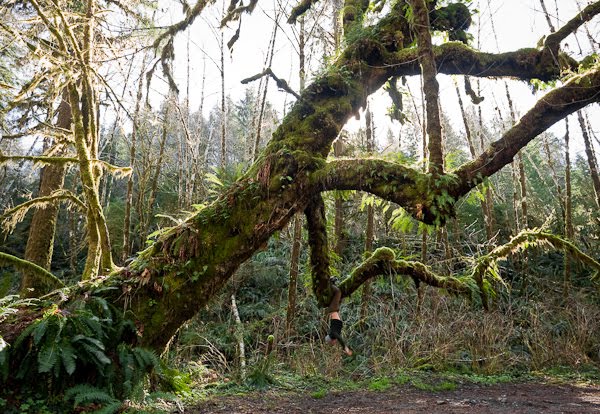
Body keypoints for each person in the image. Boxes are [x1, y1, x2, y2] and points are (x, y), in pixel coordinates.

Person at [325, 285, 353, 356]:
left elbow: (340, 339)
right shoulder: (333, 334)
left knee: (338, 292)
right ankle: (332, 284)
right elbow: (340, 339)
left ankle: (329, 283)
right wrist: (345, 349)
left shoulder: (333, 334)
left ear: (331, 340)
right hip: (334, 310)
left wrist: (345, 347)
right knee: (339, 296)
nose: (334, 343)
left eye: (332, 343)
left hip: (333, 309)